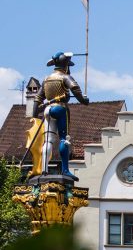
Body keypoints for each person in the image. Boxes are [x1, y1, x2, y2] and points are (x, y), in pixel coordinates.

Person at [30, 52, 89, 180]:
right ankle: (65, 170)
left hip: (47, 110)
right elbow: (76, 90)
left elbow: (37, 99)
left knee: (48, 140)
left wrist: (34, 116)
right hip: (60, 108)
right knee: (64, 139)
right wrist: (84, 101)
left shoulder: (46, 79)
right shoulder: (65, 77)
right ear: (66, 64)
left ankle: (44, 169)